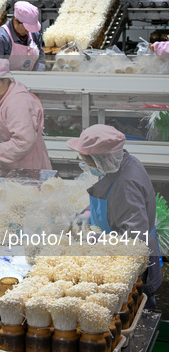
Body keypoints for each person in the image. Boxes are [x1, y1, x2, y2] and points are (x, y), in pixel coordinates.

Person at [66, 124, 162, 308]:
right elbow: (109, 199)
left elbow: (134, 239)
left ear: (102, 159)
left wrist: (97, 238)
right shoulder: (120, 165)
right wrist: (87, 213)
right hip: (115, 252)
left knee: (134, 306)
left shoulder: (126, 184)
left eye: (87, 161)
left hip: (134, 263)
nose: (85, 164)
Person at [0, 59, 51, 176]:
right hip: (14, 163)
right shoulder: (2, 93)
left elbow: (24, 141)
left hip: (27, 166)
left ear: (6, 80)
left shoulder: (18, 104)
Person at [0, 1, 46, 71]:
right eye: (26, 27)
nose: (28, 31)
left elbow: (41, 59)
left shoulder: (34, 34)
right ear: (16, 21)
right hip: (8, 80)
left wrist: (38, 75)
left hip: (31, 78)